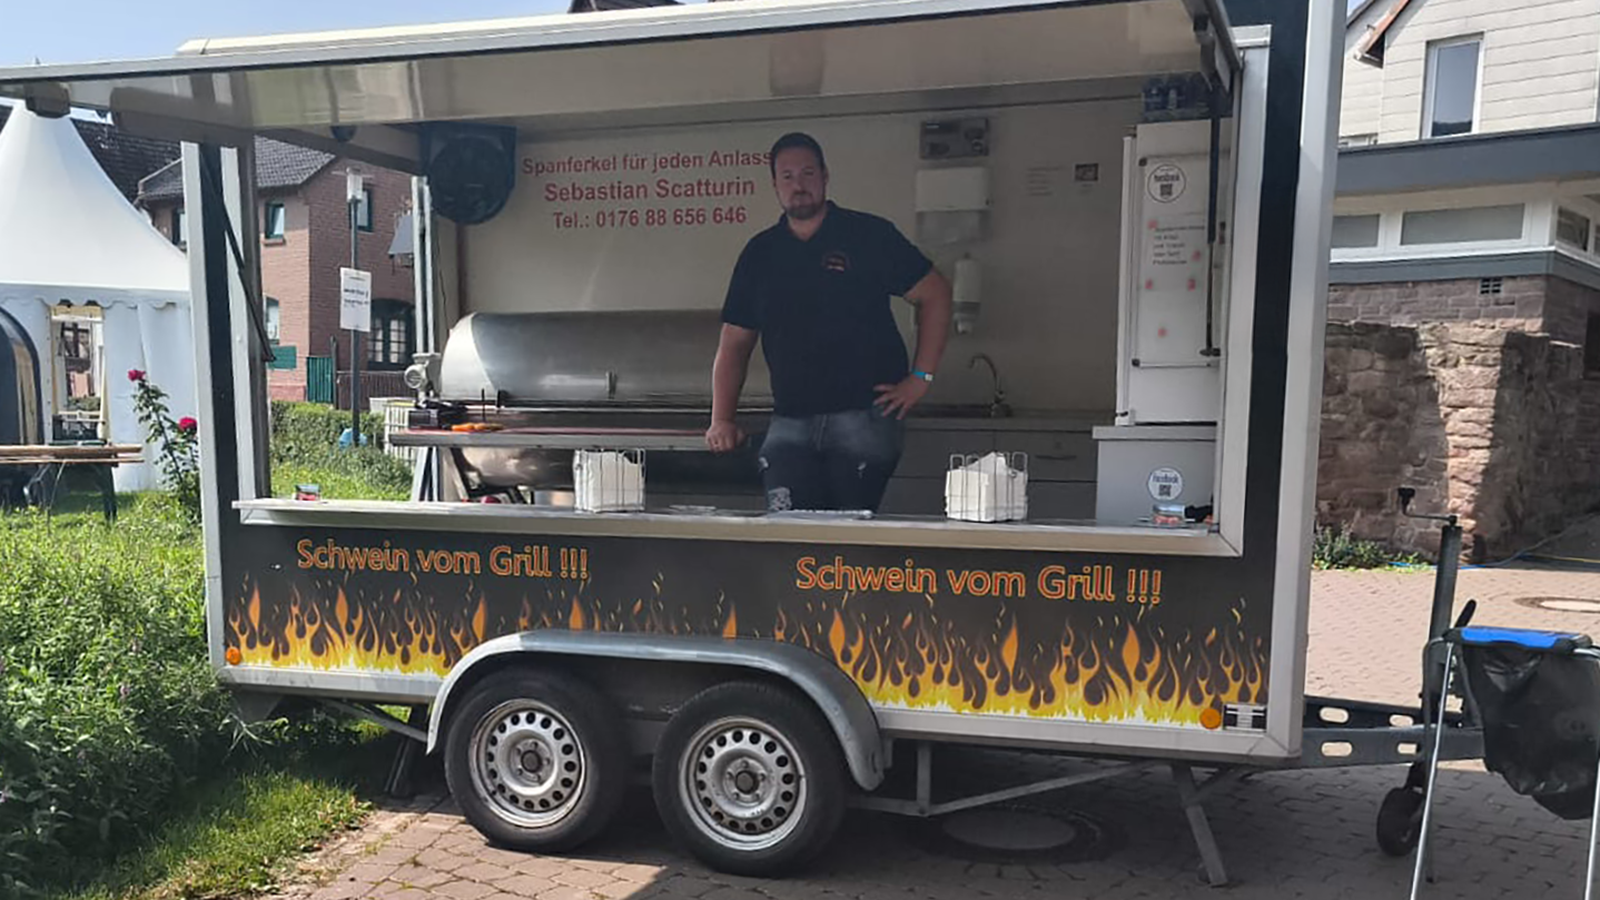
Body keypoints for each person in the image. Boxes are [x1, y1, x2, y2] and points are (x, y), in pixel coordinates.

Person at [706, 132, 952, 513]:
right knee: (789, 534)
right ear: (775, 185)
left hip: (863, 419)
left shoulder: (869, 235)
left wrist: (921, 379)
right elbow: (734, 343)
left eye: (807, 173)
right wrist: (721, 419)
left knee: (848, 537)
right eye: (787, 176)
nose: (798, 185)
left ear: (825, 176)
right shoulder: (760, 254)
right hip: (790, 420)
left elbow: (935, 294)